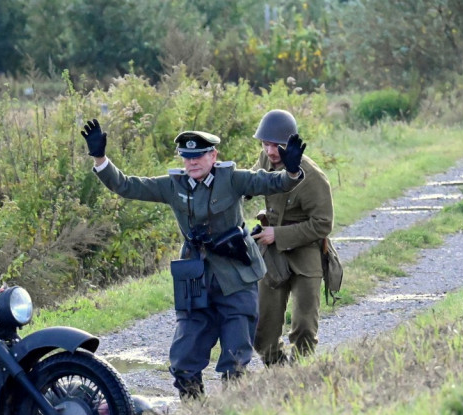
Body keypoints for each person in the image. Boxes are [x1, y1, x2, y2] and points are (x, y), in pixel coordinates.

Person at [81, 118, 306, 400]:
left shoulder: (233, 179)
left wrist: (293, 170)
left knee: (235, 360)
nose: (192, 162)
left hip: (236, 277)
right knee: (183, 360)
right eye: (187, 157)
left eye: (198, 156)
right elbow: (127, 186)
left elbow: (274, 182)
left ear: (213, 155)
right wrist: (101, 158)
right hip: (195, 280)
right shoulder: (173, 185)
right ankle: (193, 414)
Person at [250, 109, 334, 366]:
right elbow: (248, 184)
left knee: (305, 327)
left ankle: (301, 373)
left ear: (292, 144)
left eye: (278, 145)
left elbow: (323, 224)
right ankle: (278, 371)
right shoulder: (265, 162)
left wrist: (279, 234)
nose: (271, 151)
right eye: (266, 144)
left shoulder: (313, 177)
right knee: (262, 331)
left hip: (305, 249)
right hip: (273, 252)